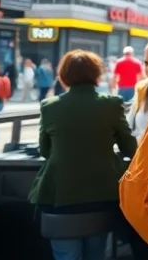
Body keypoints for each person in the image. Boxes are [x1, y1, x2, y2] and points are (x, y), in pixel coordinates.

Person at [29, 50, 138, 260]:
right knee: (96, 253)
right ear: (96, 74)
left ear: (64, 75)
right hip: (102, 194)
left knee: (66, 255)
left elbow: (45, 150)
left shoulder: (50, 106)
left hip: (59, 196)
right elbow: (130, 149)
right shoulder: (112, 104)